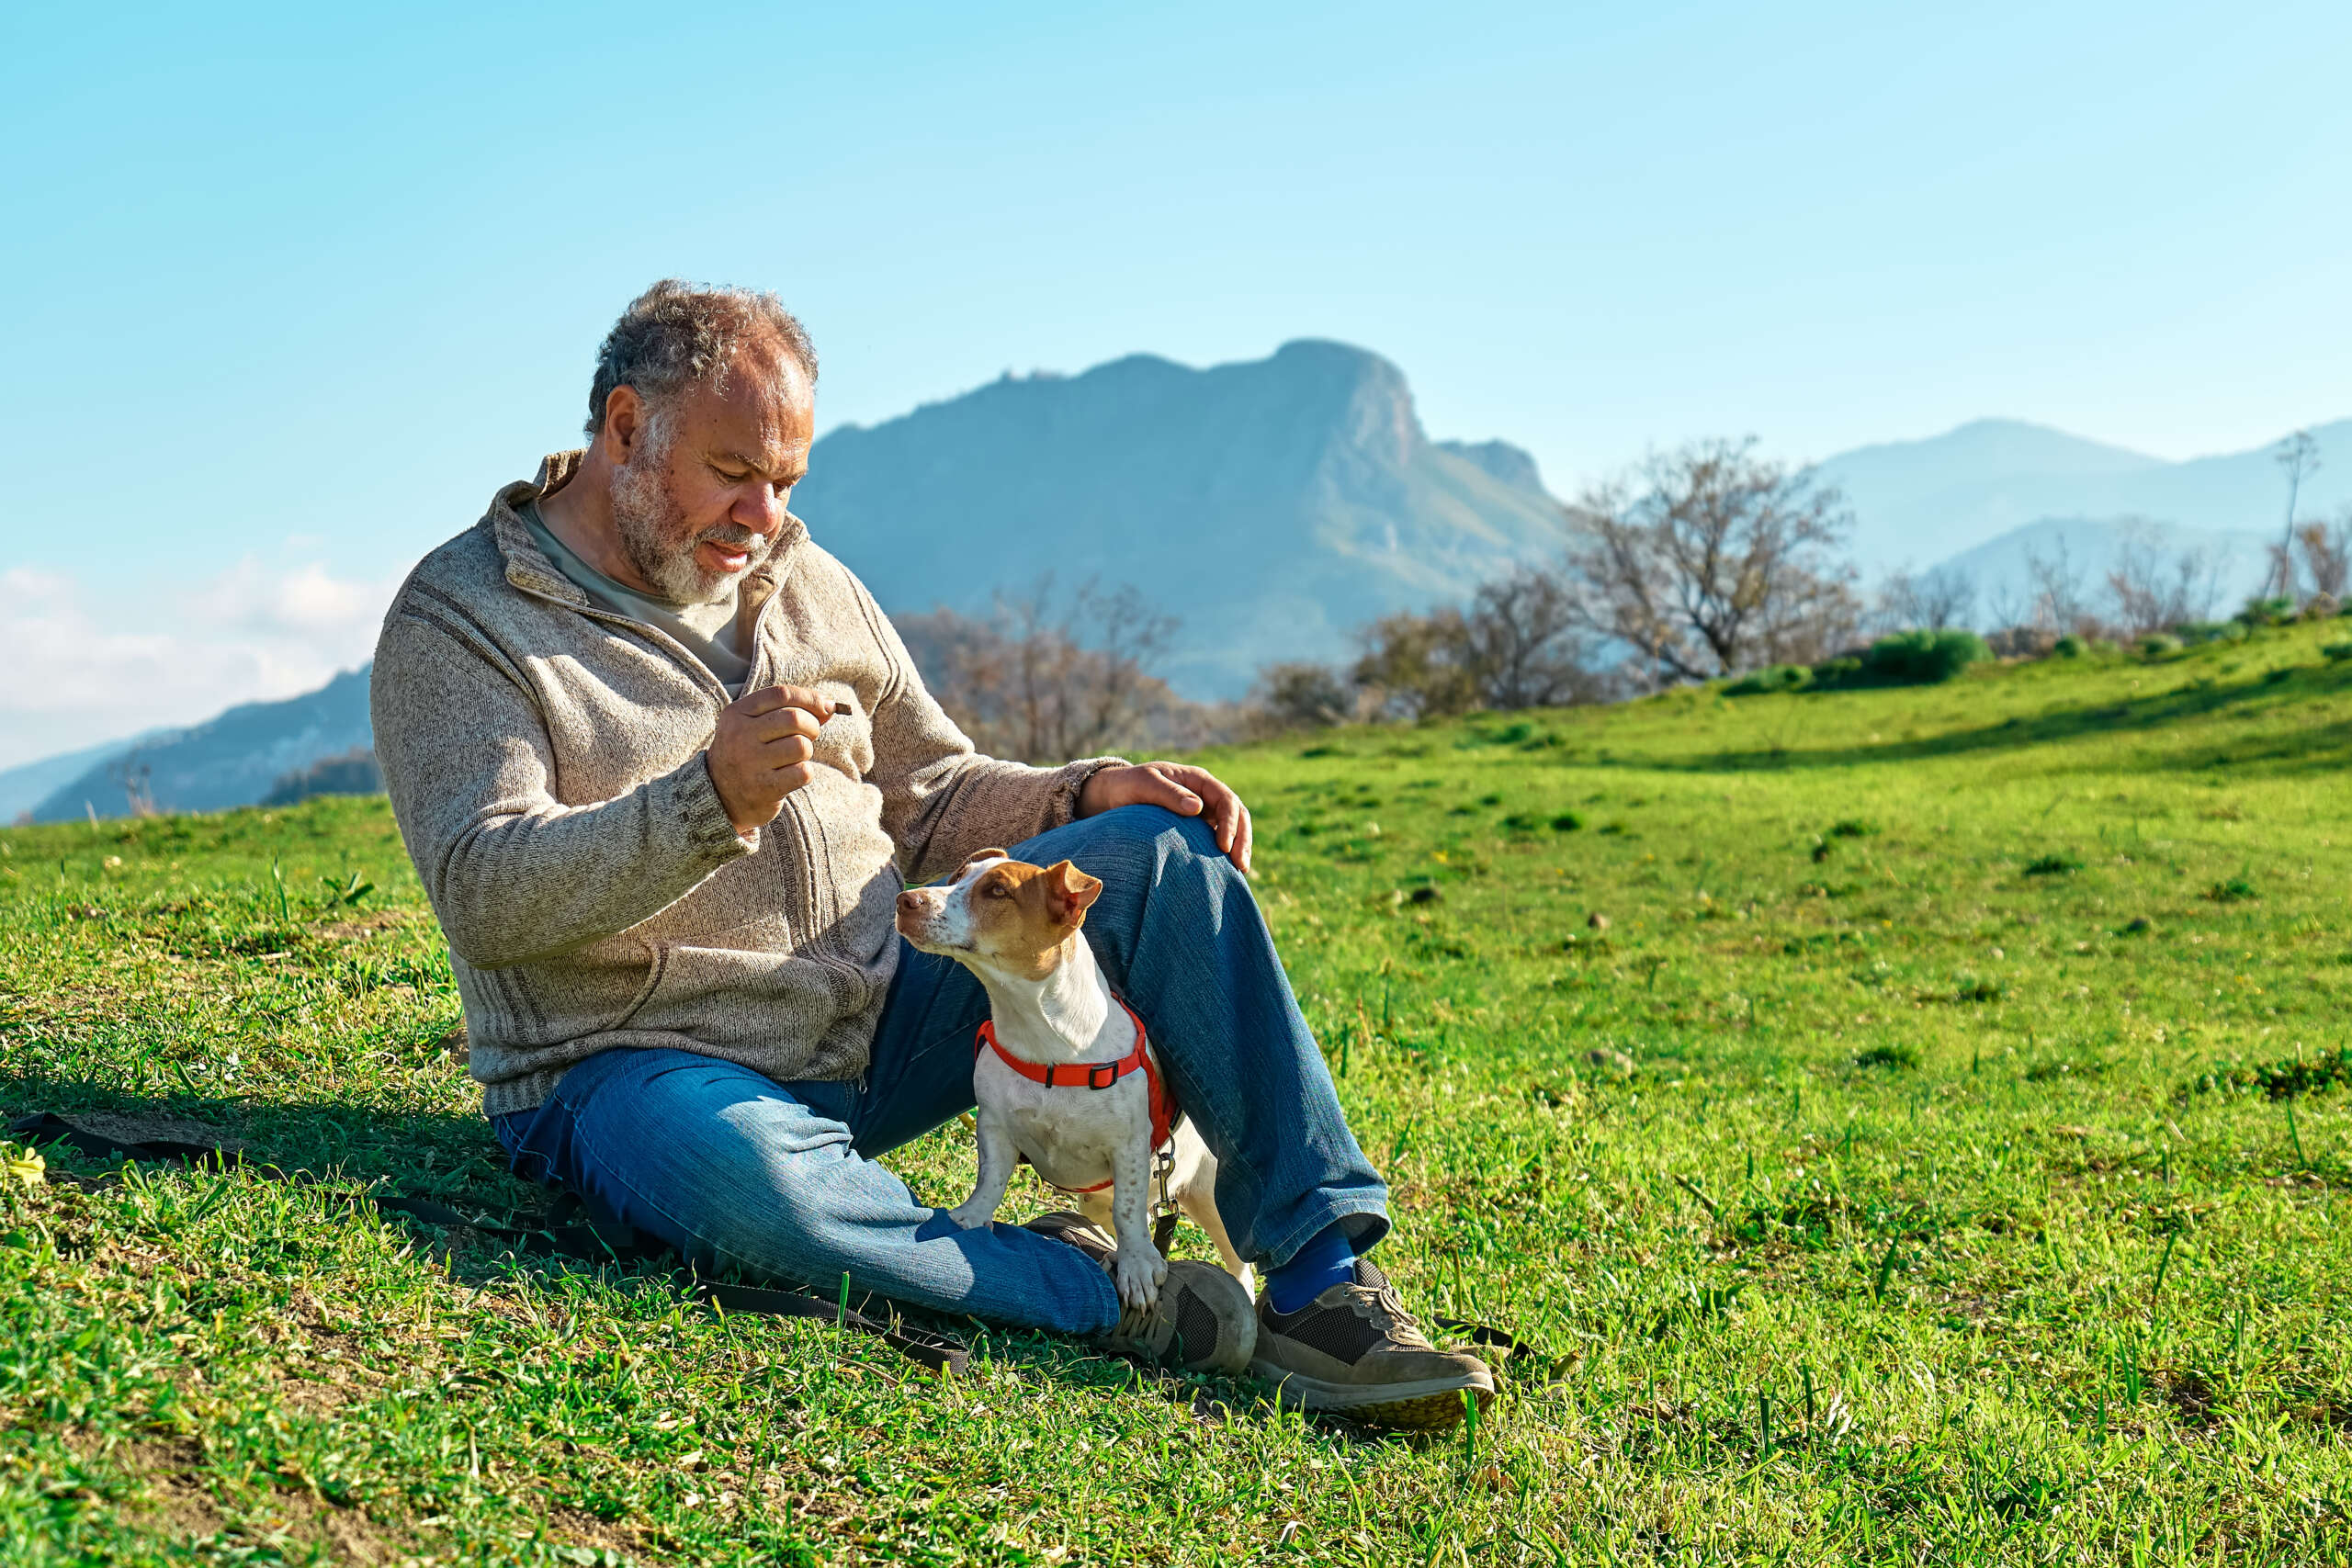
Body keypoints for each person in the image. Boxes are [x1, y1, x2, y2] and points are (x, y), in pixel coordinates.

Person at [370, 280, 1492, 1430]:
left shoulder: (807, 583)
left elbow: (933, 794)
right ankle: (1106, 1289)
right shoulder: (465, 620)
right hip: (640, 1067)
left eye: (787, 480)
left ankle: (1320, 1284)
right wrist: (706, 800)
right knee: (743, 1187)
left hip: (885, 1018)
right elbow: (483, 894)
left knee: (1163, 856)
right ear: (623, 429)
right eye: (732, 472)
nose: (763, 514)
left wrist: (1081, 789)